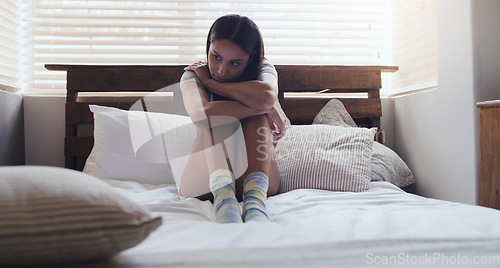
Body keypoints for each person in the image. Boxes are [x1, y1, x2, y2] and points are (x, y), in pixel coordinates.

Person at [179, 14, 286, 223]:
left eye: (235, 63)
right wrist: (262, 108)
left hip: (257, 179)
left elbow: (265, 96)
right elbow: (202, 116)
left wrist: (211, 83)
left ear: (251, 58)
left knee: (254, 119)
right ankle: (224, 198)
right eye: (216, 56)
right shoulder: (193, 74)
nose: (221, 70)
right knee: (217, 117)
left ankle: (255, 202)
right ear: (208, 46)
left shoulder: (262, 68)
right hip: (204, 182)